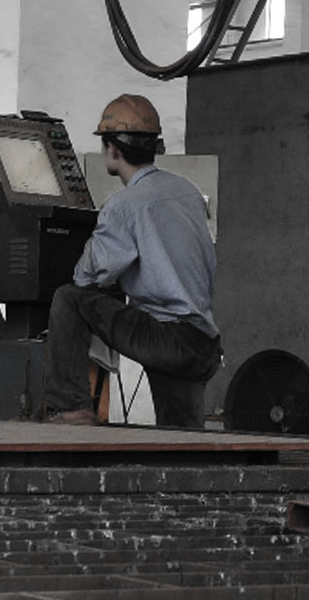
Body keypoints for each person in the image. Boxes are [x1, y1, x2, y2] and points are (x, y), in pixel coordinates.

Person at [44, 93, 222, 429]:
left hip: (166, 339)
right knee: (181, 438)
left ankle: (71, 409)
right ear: (155, 146)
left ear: (112, 149)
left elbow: (89, 276)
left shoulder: (124, 205)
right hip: (202, 344)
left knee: (68, 299)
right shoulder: (187, 191)